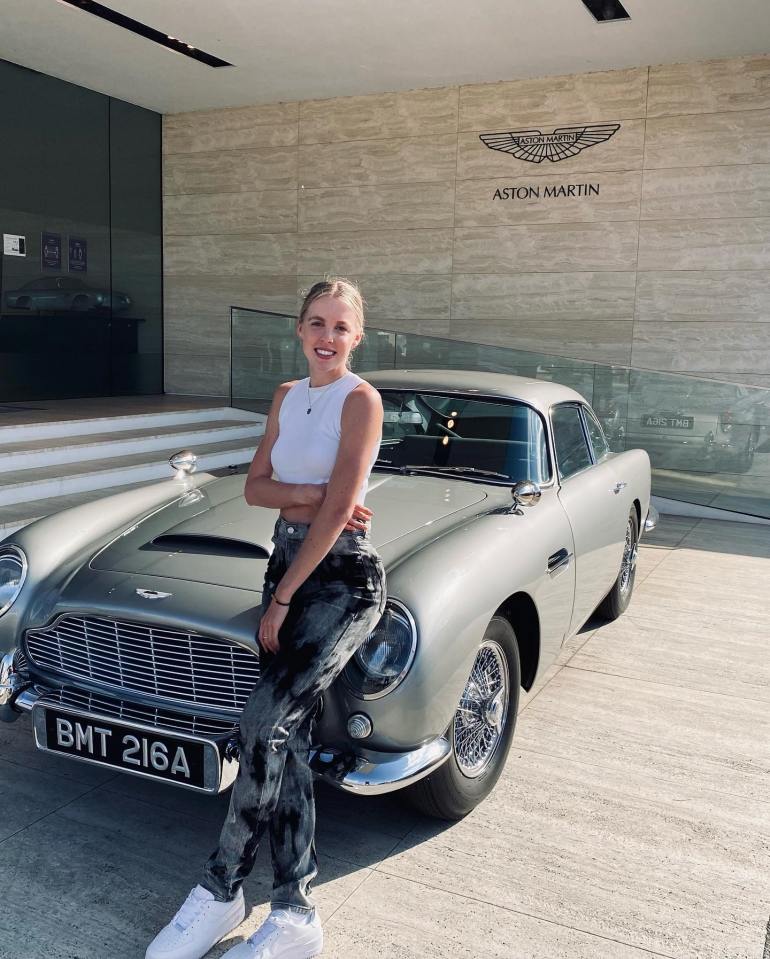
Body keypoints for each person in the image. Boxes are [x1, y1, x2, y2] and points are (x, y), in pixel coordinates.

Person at [146, 278, 386, 959]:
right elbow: (255, 487)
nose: (328, 337)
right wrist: (307, 492)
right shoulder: (285, 396)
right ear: (299, 328)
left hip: (340, 581)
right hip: (284, 566)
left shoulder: (361, 400)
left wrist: (284, 595)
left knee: (262, 724)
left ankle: (220, 888)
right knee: (286, 740)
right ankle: (294, 913)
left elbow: (342, 512)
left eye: (342, 326)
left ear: (357, 336)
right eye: (317, 322)